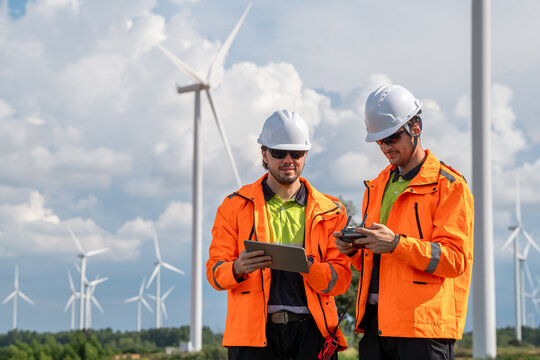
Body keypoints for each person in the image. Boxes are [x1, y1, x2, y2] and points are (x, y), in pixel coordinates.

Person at [334, 84, 474, 360]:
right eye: (380, 141)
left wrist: (397, 244)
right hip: (376, 327)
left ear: (416, 128)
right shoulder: (377, 186)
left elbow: (455, 260)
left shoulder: (449, 186)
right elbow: (377, 261)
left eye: (392, 138)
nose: (386, 147)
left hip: (423, 329)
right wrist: (353, 251)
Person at [206, 109, 352, 360]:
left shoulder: (332, 211)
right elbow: (214, 274)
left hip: (313, 333)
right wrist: (238, 267)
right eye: (278, 153)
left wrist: (308, 267)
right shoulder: (234, 206)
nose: (288, 159)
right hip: (254, 336)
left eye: (296, 153)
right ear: (264, 153)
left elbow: (340, 281)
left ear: (305, 154)